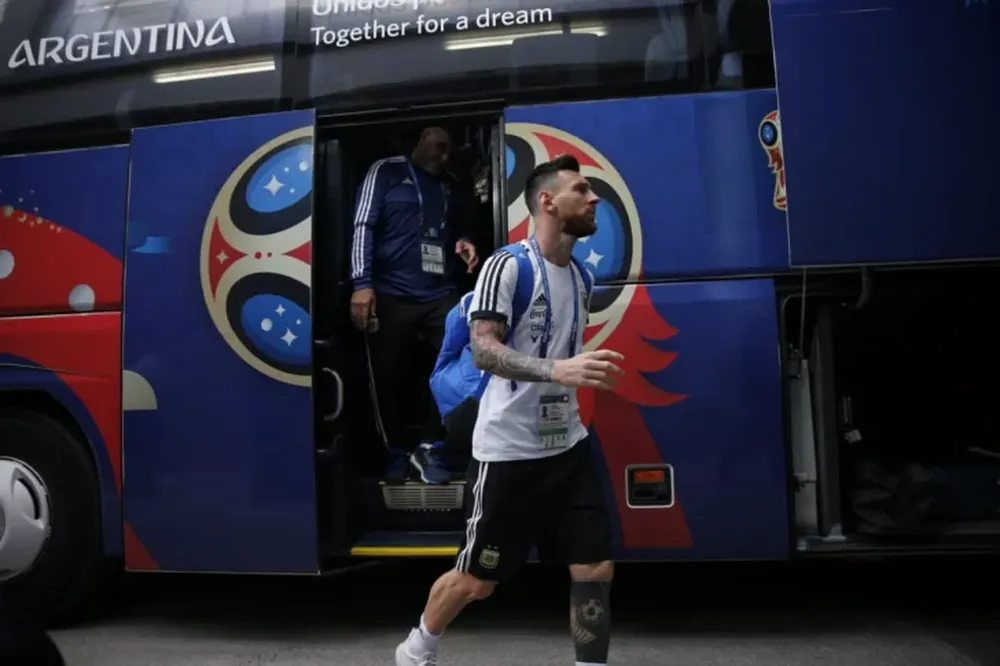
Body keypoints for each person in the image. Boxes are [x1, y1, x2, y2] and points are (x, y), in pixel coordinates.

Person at [395, 154, 626, 666]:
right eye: (582, 190)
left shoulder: (583, 278)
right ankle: (416, 649)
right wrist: (556, 371)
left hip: (568, 445)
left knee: (594, 568)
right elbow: (483, 348)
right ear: (548, 201)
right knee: (478, 581)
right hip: (508, 453)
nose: (594, 200)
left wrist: (571, 374)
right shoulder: (508, 264)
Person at [350, 126, 479, 484]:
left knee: (457, 369)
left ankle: (430, 445)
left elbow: (460, 228)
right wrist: (362, 284)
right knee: (389, 375)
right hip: (391, 292)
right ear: (421, 139)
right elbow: (363, 225)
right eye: (439, 148)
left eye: (449, 152)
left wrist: (465, 241)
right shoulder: (386, 171)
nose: (444, 157)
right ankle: (395, 452)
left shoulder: (450, 184)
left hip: (440, 292)